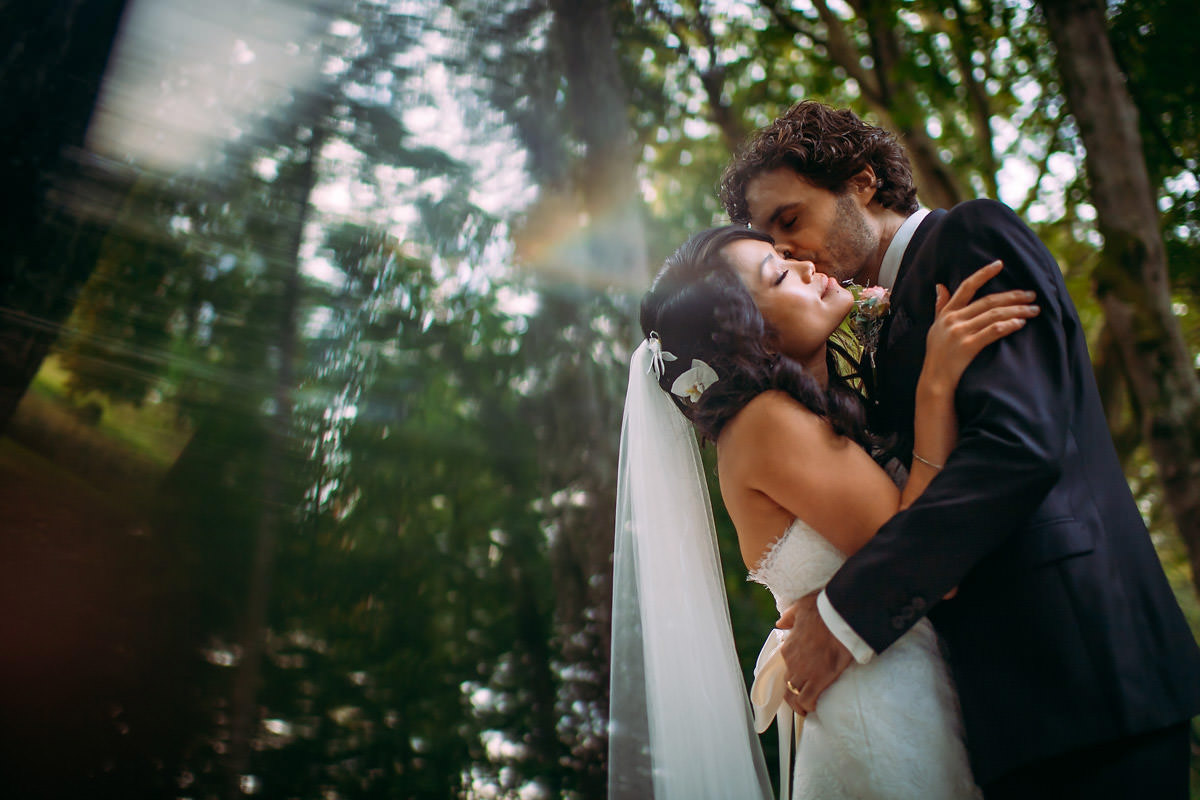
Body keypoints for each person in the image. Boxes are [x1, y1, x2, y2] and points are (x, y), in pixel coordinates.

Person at [717, 100, 1200, 798]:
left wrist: (845, 609)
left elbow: (1016, 445)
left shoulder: (971, 237)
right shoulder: (872, 326)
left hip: (1085, 666)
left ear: (862, 182)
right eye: (771, 242)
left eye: (790, 220)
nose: (789, 252)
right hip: (995, 706)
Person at [610, 223, 1036, 798]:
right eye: (780, 274)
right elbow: (926, 557)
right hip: (881, 712)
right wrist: (936, 386)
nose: (807, 266)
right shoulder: (765, 423)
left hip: (889, 684)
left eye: (785, 256)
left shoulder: (800, 413)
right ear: (751, 336)